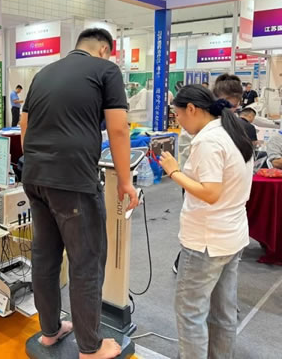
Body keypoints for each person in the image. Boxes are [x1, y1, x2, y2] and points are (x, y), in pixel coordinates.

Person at [21, 28, 138, 359]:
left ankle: (50, 332)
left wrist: (41, 163)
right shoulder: (106, 70)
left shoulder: (43, 73)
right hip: (74, 181)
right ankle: (90, 348)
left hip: (35, 177)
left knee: (45, 258)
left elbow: (25, 126)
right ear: (103, 50)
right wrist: (126, 181)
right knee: (86, 263)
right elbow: (118, 128)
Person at [159, 85, 253, 359]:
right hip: (231, 235)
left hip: (206, 241)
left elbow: (210, 193)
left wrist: (174, 172)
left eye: (177, 115)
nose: (178, 122)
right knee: (223, 312)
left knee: (191, 313)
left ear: (191, 109)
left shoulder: (208, 141)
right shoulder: (231, 132)